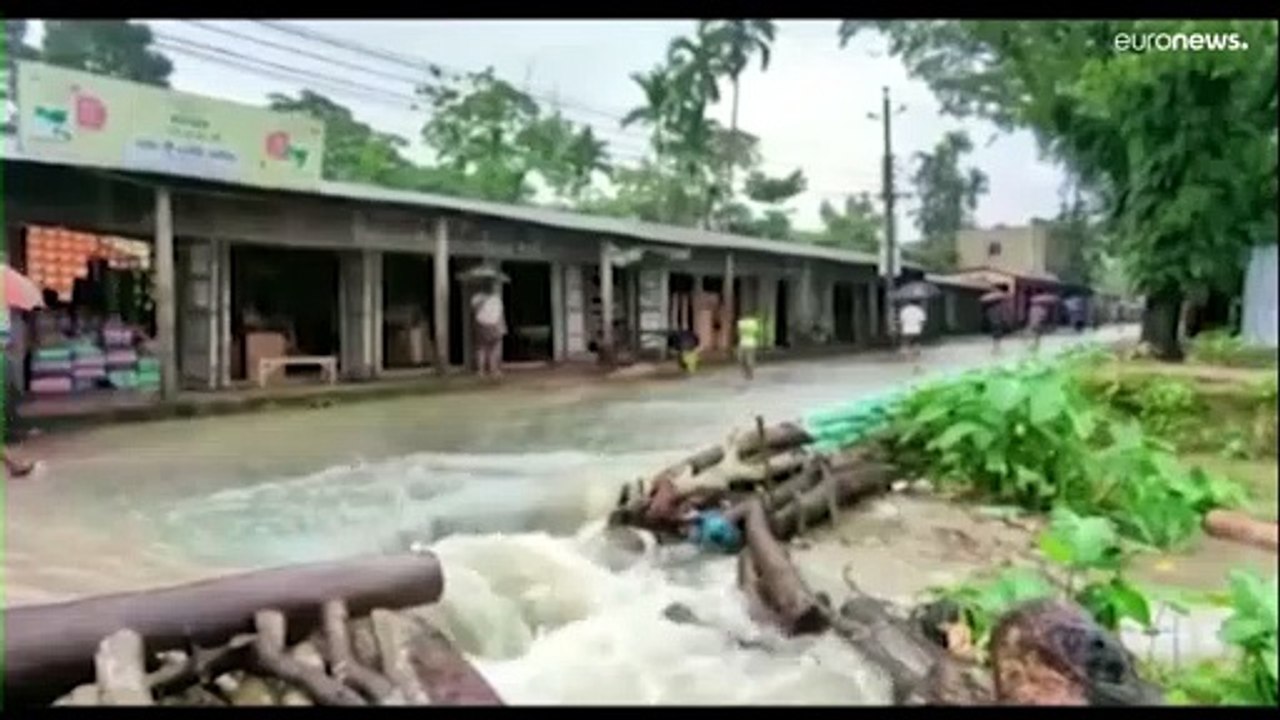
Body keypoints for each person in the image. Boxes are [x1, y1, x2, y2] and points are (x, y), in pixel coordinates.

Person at [470, 281, 507, 378]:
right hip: (495, 326)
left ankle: (481, 371)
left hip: (482, 326)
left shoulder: (476, 298)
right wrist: (502, 328)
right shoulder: (496, 299)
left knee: (481, 349)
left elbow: (474, 312)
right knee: (494, 349)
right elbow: (500, 315)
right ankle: (493, 370)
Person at [735, 313, 762, 380]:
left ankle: (749, 373)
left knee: (746, 359)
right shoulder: (745, 323)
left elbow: (738, 332)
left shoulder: (745, 323)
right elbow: (757, 333)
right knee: (745, 359)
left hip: (747, 343)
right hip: (747, 343)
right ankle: (748, 373)